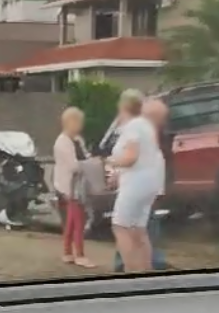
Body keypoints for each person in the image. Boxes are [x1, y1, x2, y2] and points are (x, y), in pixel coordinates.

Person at [106, 89, 164, 272]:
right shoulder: (146, 125)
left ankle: (130, 272)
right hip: (149, 183)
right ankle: (146, 271)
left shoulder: (132, 126)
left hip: (135, 183)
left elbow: (131, 157)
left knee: (120, 226)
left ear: (123, 105)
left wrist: (110, 161)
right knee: (139, 230)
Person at [53, 106, 96, 268]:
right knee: (78, 220)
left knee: (71, 220)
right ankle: (80, 255)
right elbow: (73, 165)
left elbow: (85, 156)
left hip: (77, 185)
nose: (81, 125)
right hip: (70, 187)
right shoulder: (62, 142)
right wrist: (89, 165)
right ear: (70, 122)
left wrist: (90, 161)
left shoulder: (77, 139)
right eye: (79, 122)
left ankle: (67, 252)